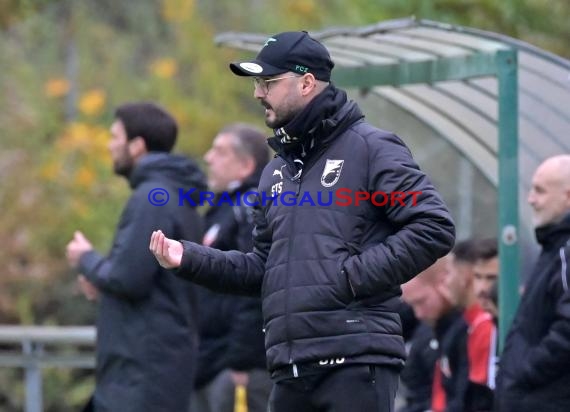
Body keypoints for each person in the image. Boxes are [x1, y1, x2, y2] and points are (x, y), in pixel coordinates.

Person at [150, 31, 455, 412]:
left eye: (269, 82)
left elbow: (433, 226)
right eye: (258, 83)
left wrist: (350, 277)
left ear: (307, 82)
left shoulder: (371, 147)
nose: (258, 93)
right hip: (290, 367)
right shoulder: (274, 171)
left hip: (355, 360)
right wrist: (190, 259)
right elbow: (263, 268)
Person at [66, 102, 206, 412]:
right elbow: (150, 278)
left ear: (137, 145)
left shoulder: (152, 198)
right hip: (154, 372)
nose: (109, 144)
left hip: (140, 377)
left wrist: (85, 258)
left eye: (115, 136)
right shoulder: (172, 194)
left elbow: (128, 279)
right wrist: (101, 282)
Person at [191, 123, 272, 412]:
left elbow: (255, 281)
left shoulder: (250, 208)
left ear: (246, 165)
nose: (208, 157)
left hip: (236, 366)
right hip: (212, 359)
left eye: (220, 151)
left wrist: (243, 360)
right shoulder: (223, 209)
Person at [496, 154, 570, 412]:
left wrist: (525, 372)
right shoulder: (554, 248)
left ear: (568, 197)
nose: (531, 199)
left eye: (540, 191)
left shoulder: (565, 252)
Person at [402, 257, 469, 412]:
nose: (418, 314)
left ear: (444, 283)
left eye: (421, 302)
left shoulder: (468, 328)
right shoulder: (425, 335)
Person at [445, 239, 496, 411]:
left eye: (491, 278)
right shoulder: (468, 325)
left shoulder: (485, 325)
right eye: (478, 277)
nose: (482, 288)